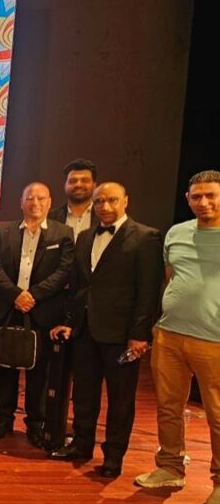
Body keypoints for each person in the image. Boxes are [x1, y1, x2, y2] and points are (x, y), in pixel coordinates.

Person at [47, 182, 162, 477]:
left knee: (120, 399)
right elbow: (80, 286)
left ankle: (113, 456)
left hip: (122, 335)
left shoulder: (145, 237)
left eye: (112, 200)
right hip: (85, 330)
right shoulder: (85, 236)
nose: (105, 207)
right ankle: (81, 444)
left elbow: (148, 291)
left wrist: (139, 334)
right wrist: (70, 321)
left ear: (126, 201)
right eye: (99, 201)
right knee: (84, 393)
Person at [135, 170, 220, 504]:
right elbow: (172, 279)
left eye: (211, 195)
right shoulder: (177, 233)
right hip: (170, 335)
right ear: (187, 199)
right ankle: (170, 468)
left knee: (218, 415)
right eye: (197, 196)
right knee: (169, 407)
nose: (204, 202)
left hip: (214, 341)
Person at [0, 182, 74, 446]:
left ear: (49, 202)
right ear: (21, 202)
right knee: (5, 368)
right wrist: (16, 295)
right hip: (9, 309)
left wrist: (33, 295)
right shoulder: (4, 231)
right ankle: (4, 420)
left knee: (39, 372)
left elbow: (64, 271)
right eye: (30, 198)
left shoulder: (63, 233)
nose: (35, 203)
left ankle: (35, 423)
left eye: (41, 198)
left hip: (42, 311)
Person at [48, 159, 100, 238]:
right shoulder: (50, 218)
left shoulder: (103, 216)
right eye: (72, 181)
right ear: (65, 185)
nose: (78, 185)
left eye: (85, 180)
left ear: (94, 185)